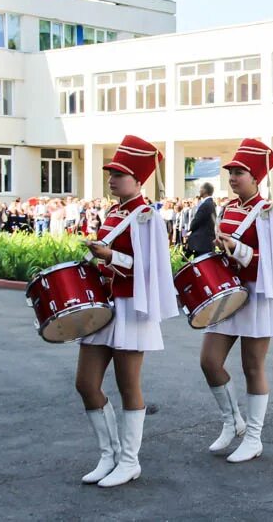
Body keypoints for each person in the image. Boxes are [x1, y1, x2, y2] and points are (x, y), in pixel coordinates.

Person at [77, 135, 178, 487]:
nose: (111, 178)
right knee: (86, 384)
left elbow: (149, 269)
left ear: (138, 180)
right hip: (103, 306)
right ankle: (109, 455)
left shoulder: (146, 216)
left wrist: (109, 257)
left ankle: (129, 461)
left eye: (119, 173)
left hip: (131, 306)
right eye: (111, 172)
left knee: (127, 385)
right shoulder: (114, 212)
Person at [200, 139, 273, 463]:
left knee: (252, 366)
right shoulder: (228, 208)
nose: (233, 177)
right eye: (231, 172)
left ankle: (253, 437)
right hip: (229, 293)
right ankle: (232, 421)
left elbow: (272, 260)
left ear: (256, 177)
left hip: (257, 294)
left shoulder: (267, 211)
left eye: (239, 172)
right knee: (209, 361)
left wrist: (237, 250)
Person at [186, 183, 217, 258]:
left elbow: (197, 221)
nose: (199, 190)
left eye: (201, 188)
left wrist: (190, 228)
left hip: (202, 243)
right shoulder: (210, 203)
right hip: (206, 242)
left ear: (205, 190)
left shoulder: (206, 204)